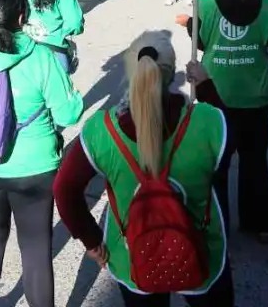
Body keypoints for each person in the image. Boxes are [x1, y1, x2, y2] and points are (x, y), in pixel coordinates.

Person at [54, 31, 234, 307]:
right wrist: (207, 86)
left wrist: (92, 241)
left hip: (131, 256)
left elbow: (64, 190)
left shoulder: (101, 130)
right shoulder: (208, 120)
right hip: (203, 250)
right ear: (172, 73)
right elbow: (229, 146)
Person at [0, 0, 83, 307]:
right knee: (36, 246)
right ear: (23, 17)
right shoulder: (41, 57)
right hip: (33, 168)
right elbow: (69, 113)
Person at [176, 0, 268, 243]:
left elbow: (198, 42)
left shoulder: (205, 3)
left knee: (216, 164)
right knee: (255, 160)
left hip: (214, 93)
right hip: (255, 94)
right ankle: (260, 223)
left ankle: (217, 224)